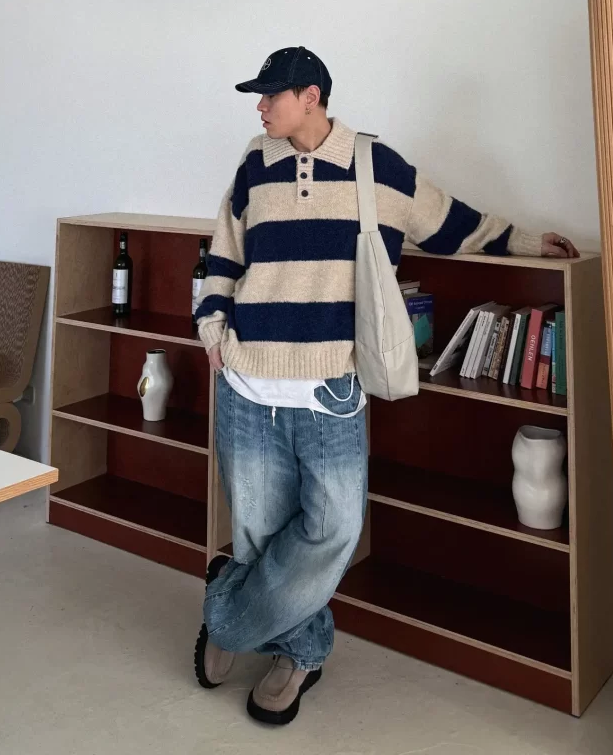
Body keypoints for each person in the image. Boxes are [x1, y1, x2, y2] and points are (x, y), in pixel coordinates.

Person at [193, 45, 579, 726]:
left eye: (271, 95)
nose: (261, 107)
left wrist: (527, 242)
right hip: (248, 384)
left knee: (334, 530)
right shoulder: (255, 163)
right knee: (258, 532)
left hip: (331, 389)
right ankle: (300, 654)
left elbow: (456, 224)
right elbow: (223, 251)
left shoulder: (377, 167)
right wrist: (211, 328)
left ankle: (227, 619)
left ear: (311, 96)